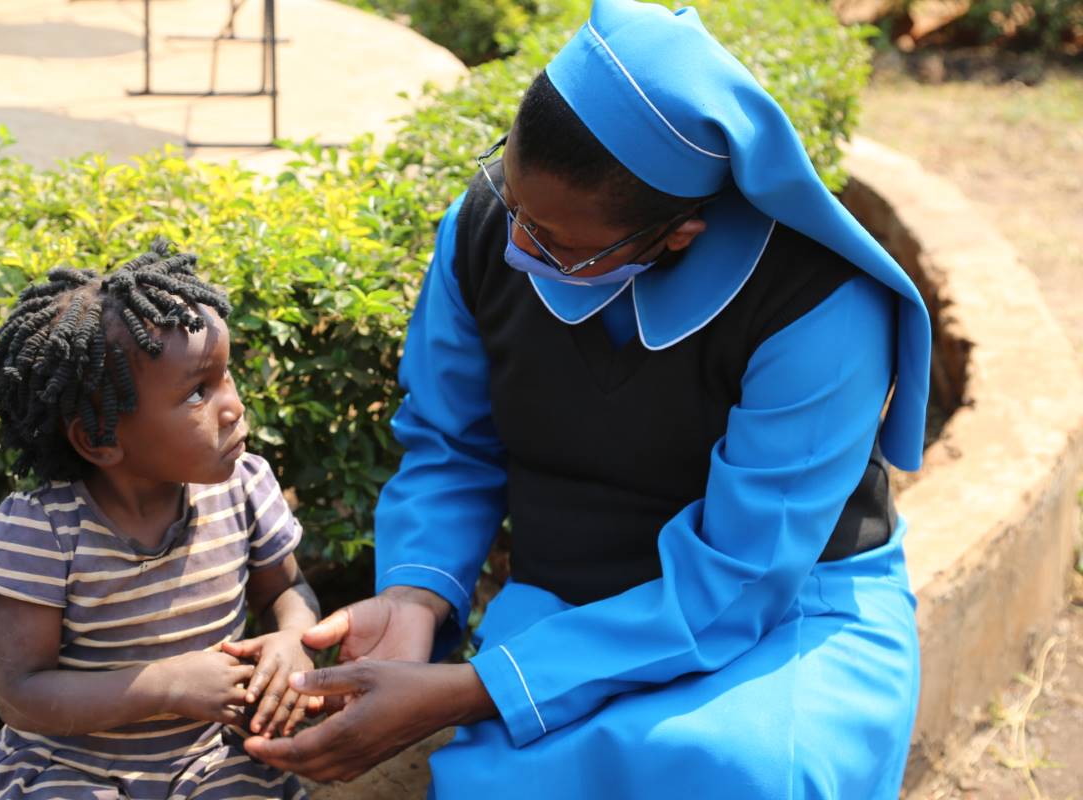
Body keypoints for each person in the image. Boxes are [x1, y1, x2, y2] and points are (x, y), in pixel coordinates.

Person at [247, 1, 933, 796]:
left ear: (681, 232)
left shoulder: (821, 304)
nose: (516, 247)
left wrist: (485, 686)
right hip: (572, 601)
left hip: (786, 613)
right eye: (516, 207)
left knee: (743, 771)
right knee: (504, 782)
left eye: (559, 246)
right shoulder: (484, 227)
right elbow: (449, 443)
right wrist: (416, 595)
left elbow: (742, 579)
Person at [0, 240, 317, 800]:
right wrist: (167, 685)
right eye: (199, 391)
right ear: (99, 439)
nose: (234, 405)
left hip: (210, 760)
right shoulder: (47, 532)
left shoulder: (244, 486)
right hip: (74, 767)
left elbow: (287, 590)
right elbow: (20, 693)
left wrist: (293, 639)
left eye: (226, 375)